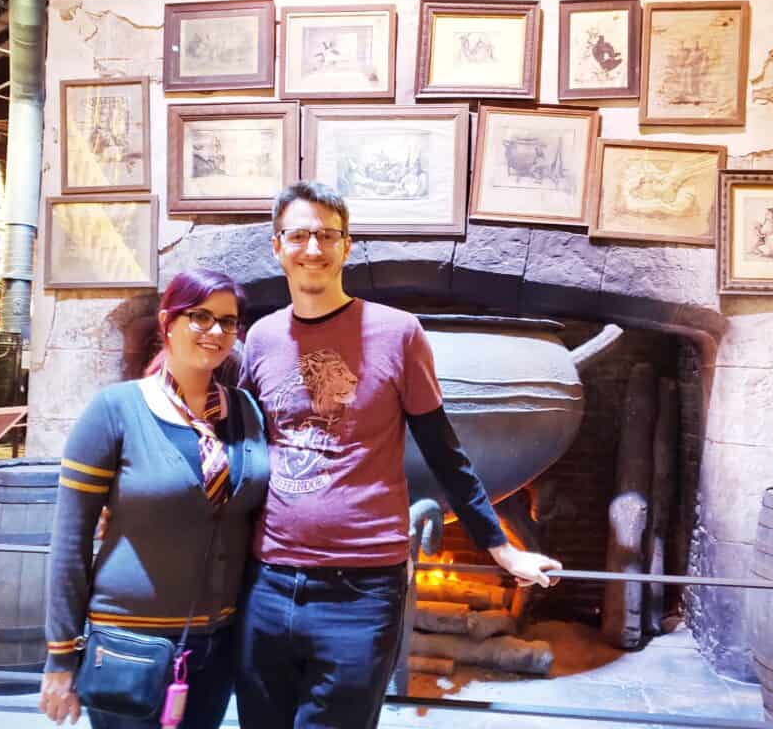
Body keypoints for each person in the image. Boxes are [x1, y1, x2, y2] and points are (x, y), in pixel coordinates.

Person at [234, 180, 563, 729]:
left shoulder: (397, 333)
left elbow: (444, 451)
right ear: (277, 246)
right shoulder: (263, 338)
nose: (312, 248)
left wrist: (501, 550)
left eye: (326, 235)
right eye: (298, 235)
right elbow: (242, 449)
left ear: (347, 246)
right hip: (269, 581)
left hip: (361, 590)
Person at [39, 269, 270, 728]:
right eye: (200, 317)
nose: (216, 331)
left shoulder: (246, 410)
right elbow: (70, 541)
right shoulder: (116, 409)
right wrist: (60, 657)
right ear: (167, 322)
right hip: (129, 643)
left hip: (217, 642)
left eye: (228, 321)